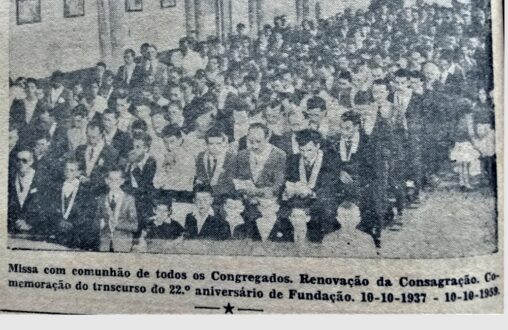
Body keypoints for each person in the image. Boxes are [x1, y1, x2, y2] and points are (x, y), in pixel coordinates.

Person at [283, 129, 340, 237]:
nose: (305, 155)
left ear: (318, 146)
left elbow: (328, 186)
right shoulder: (293, 159)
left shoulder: (330, 160)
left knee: (327, 209)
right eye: (302, 150)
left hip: (320, 199)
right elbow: (288, 181)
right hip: (298, 199)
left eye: (309, 150)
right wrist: (289, 190)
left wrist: (311, 193)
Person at [232, 123, 286, 203]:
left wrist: (257, 192)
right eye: (251, 142)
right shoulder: (241, 155)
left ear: (267, 138)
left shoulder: (279, 155)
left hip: (268, 203)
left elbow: (278, 185)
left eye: (258, 141)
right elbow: (237, 179)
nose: (255, 146)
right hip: (246, 202)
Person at [55, 160, 97, 250]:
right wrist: (59, 221)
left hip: (78, 235)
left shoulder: (85, 190)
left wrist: (72, 223)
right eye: (66, 170)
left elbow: (88, 213)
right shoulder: (57, 187)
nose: (68, 173)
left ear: (78, 172)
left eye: (72, 170)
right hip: (59, 232)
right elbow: (53, 208)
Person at [96, 168, 138, 252]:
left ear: (122, 181)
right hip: (105, 242)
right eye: (110, 179)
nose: (113, 182)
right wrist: (99, 224)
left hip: (123, 243)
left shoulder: (129, 199)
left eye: (117, 180)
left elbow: (134, 226)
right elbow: (96, 219)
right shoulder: (101, 199)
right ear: (106, 180)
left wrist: (117, 224)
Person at [124, 132, 157, 233]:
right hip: (131, 200)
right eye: (133, 147)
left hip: (144, 203)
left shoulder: (151, 162)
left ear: (146, 149)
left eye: (138, 147)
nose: (134, 150)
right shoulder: (130, 160)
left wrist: (134, 165)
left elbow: (144, 185)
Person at [75, 120, 119, 195]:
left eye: (93, 137)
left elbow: (109, 175)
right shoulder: (80, 149)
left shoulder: (111, 152)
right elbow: (77, 168)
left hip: (100, 193)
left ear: (101, 134)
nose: (90, 140)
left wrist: (90, 181)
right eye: (88, 136)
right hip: (80, 192)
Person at [154, 125, 196, 203]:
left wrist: (166, 182)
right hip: (164, 196)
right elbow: (156, 182)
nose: (169, 146)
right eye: (165, 142)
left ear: (180, 140)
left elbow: (185, 183)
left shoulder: (188, 158)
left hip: (182, 197)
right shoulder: (161, 158)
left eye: (172, 141)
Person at [8, 150, 46, 235]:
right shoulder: (10, 178)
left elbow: (44, 207)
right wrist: (16, 221)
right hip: (13, 228)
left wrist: (29, 222)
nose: (20, 163)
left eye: (24, 161)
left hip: (34, 229)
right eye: (18, 160)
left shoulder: (40, 179)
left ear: (31, 162)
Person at [195, 126, 236, 202]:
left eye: (218, 144)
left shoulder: (231, 158)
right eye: (211, 144)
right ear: (206, 145)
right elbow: (200, 177)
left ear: (224, 143)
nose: (215, 147)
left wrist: (210, 192)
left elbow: (230, 183)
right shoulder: (201, 156)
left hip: (225, 197)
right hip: (205, 198)